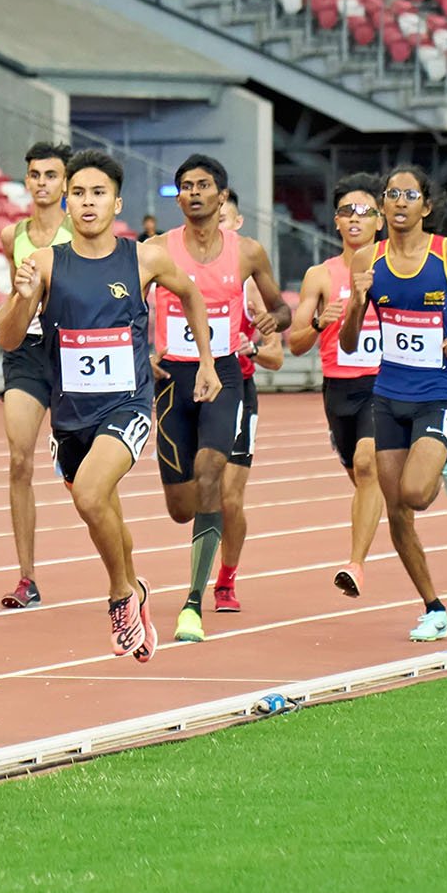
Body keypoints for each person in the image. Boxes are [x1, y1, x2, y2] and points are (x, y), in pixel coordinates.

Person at [0, 150, 220, 660]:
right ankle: (133, 584)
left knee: (91, 496)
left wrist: (206, 361)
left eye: (98, 193)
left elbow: (191, 294)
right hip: (70, 415)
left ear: (117, 201)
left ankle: (121, 594)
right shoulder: (44, 263)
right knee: (102, 511)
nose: (88, 202)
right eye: (79, 193)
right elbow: (9, 340)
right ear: (67, 202)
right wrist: (25, 297)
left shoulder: (144, 258)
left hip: (127, 406)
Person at [340, 166, 447, 643]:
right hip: (388, 393)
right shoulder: (367, 260)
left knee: (416, 493)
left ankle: (446, 453)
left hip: (437, 391)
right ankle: (434, 608)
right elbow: (351, 344)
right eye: (390, 194)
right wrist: (356, 300)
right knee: (398, 510)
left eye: (408, 195)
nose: (397, 202)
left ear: (426, 206)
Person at [152, 155, 290, 644]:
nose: (193, 193)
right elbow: (124, 303)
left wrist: (276, 319)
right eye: (185, 186)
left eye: (203, 185)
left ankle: (193, 603)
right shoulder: (157, 250)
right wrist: (142, 346)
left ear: (221, 196)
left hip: (224, 374)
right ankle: (195, 540)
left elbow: (280, 307)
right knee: (181, 505)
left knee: (213, 472)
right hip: (171, 378)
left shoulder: (247, 252)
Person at [0, 143, 72, 610]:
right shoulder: (13, 236)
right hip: (25, 352)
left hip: (71, 352)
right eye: (34, 174)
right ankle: (28, 578)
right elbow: (17, 295)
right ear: (26, 181)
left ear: (65, 184)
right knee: (20, 460)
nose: (41, 182)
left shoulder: (79, 232)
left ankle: (119, 571)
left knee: (83, 479)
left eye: (50, 175)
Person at [285, 173, 386, 598]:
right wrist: (316, 322)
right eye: (348, 211)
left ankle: (356, 565)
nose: (356, 218)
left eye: (365, 211)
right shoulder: (320, 276)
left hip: (385, 384)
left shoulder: (395, 268)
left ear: (379, 220)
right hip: (339, 390)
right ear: (337, 222)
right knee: (362, 474)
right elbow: (294, 343)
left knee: (368, 465)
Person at [209, 190, 284, 613]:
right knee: (193, 493)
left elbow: (276, 355)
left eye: (223, 219)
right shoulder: (182, 273)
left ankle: (225, 580)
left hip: (239, 390)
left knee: (229, 497)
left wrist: (249, 347)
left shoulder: (252, 285)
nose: (213, 227)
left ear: (236, 224)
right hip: (194, 390)